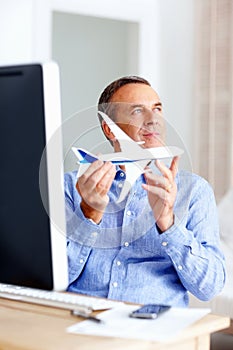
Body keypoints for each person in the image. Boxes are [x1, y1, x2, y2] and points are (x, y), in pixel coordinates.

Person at [64, 76, 226, 307]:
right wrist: (89, 215)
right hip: (79, 321)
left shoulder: (194, 191)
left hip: (153, 331)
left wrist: (169, 225)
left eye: (157, 109)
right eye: (138, 111)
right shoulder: (70, 187)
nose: (153, 120)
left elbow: (209, 287)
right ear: (109, 129)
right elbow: (47, 281)